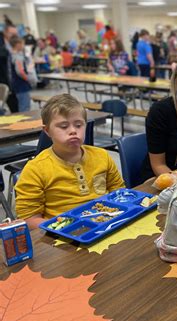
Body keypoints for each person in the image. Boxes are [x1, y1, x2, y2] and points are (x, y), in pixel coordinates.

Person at [15, 94, 125, 229]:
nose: (73, 131)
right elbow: (29, 218)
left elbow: (119, 193)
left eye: (78, 125)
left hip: (107, 224)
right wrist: (63, 227)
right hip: (62, 235)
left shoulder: (102, 156)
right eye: (63, 126)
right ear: (47, 130)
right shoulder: (35, 169)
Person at [0, 16, 19, 112]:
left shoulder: (12, 43)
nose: (14, 36)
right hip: (2, 80)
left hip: (10, 82)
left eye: (16, 34)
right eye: (12, 34)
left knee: (15, 107)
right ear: (5, 32)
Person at [10, 35, 32, 112]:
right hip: (21, 85)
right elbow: (20, 71)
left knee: (21, 105)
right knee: (25, 107)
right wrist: (28, 79)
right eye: (22, 44)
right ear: (18, 45)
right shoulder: (17, 57)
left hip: (16, 84)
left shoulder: (10, 55)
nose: (23, 46)